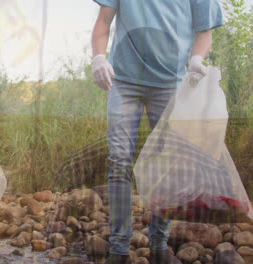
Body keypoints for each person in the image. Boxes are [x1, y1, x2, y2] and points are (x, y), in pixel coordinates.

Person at [90, 1, 223, 263]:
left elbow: (204, 30)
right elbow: (104, 21)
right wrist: (98, 57)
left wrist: (197, 58)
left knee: (168, 166)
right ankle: (118, 249)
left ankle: (159, 244)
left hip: (171, 85)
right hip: (123, 81)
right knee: (119, 161)